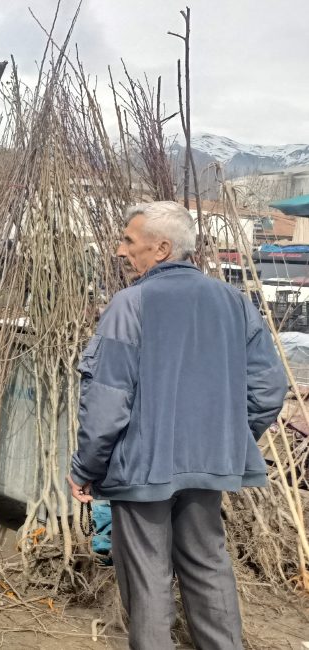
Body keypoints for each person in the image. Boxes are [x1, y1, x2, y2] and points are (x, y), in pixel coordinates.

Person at [67, 201, 287, 650]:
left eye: (129, 241)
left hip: (143, 468)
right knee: (208, 565)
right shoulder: (234, 302)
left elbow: (107, 401)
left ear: (161, 248)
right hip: (209, 465)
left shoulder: (130, 306)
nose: (120, 250)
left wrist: (85, 467)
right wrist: (226, 438)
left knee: (147, 578)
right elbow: (268, 388)